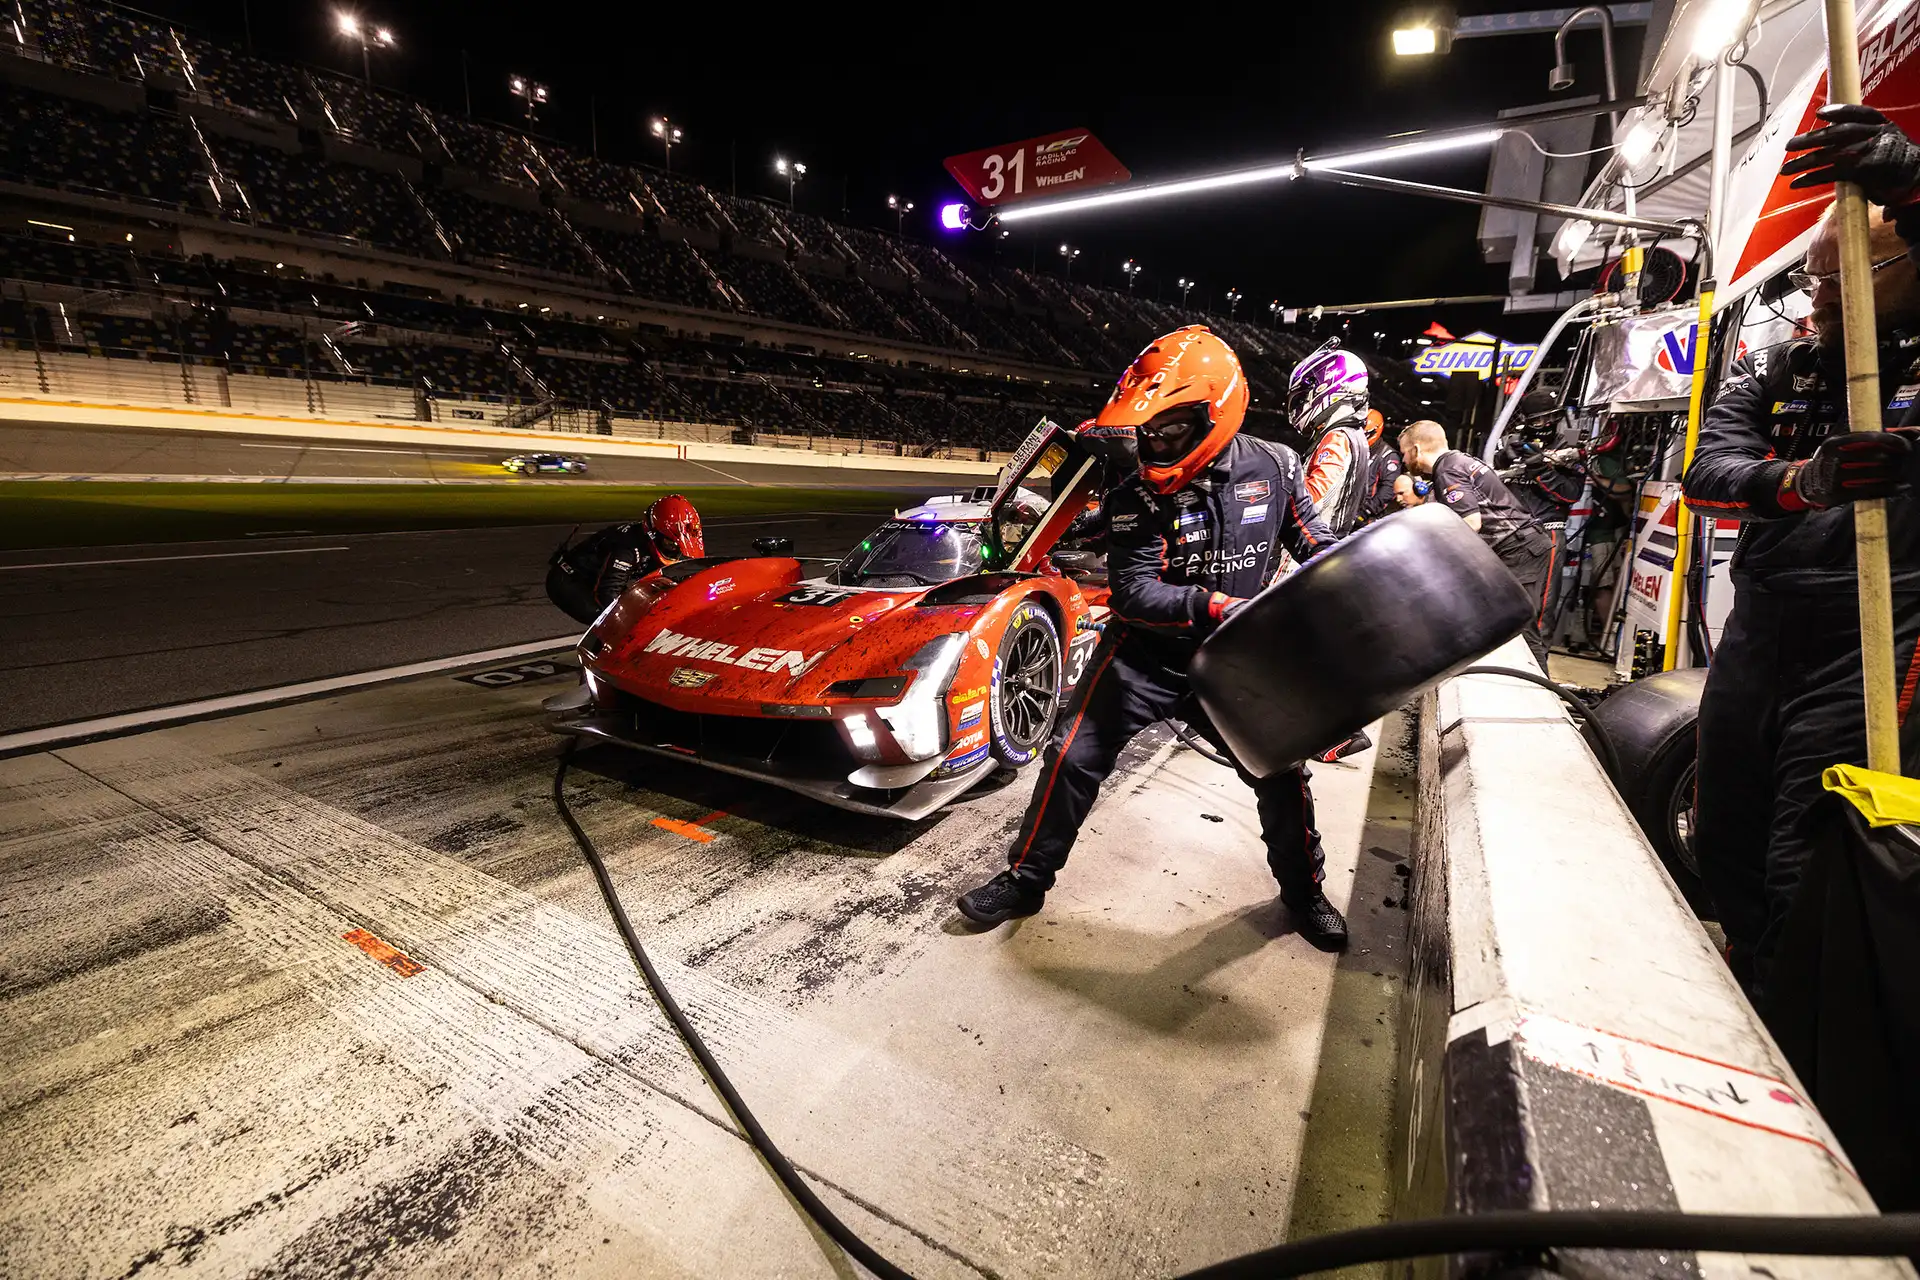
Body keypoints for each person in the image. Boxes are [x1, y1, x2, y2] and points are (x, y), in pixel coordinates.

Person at [956, 325, 1351, 950]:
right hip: (1139, 656)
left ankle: (1304, 894)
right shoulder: (1132, 491)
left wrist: (1353, 576)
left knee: (1281, 777)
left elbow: (1314, 544)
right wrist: (1214, 605)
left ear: (1216, 412)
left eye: (1168, 430)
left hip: (1234, 660)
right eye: (1145, 431)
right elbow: (1136, 593)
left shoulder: (1276, 465)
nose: (1152, 444)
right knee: (1070, 759)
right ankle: (1026, 881)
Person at [1682, 102, 1920, 1001]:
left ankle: (1801, 1038)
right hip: (1760, 630)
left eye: (1842, 274)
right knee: (1723, 840)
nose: (1816, 296)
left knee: (1809, 863)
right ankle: (1750, 993)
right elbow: (1708, 474)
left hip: (1875, 639)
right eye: (1811, 278)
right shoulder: (1782, 368)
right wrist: (1802, 481)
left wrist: (1912, 185)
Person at [1397, 419, 1554, 668]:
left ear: (1416, 449)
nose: (1404, 460)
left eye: (1404, 453)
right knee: (1502, 622)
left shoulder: (1447, 470)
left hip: (1518, 548)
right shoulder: (1458, 460)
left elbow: (1470, 523)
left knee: (1520, 627)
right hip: (1517, 545)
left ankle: (1540, 684)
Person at [1288, 341, 1379, 763]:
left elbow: (1312, 498)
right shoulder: (1355, 435)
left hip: (1313, 553)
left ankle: (1339, 731)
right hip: (1330, 549)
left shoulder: (1336, 439)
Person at [545, 494, 705, 625]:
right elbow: (607, 595)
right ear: (654, 533)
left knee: (643, 609)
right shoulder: (627, 548)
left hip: (593, 580)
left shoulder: (648, 541)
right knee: (616, 622)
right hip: (567, 580)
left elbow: (663, 580)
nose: (675, 549)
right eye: (671, 543)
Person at [1358, 409, 1407, 527]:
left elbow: (1389, 488)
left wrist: (1367, 511)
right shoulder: (1356, 449)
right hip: (1349, 508)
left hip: (1368, 516)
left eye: (1365, 434)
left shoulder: (1388, 455)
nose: (1362, 438)